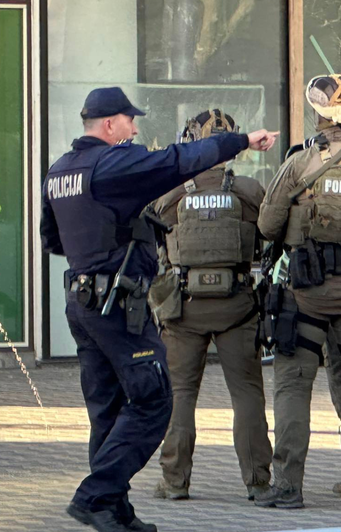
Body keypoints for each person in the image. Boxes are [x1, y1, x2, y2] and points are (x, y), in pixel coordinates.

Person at [40, 86, 277, 532]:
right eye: (130, 120)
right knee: (153, 401)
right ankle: (94, 496)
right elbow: (175, 160)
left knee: (107, 412)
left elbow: (51, 238)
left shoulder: (60, 171)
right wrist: (242, 140)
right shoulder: (111, 163)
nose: (134, 128)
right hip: (117, 304)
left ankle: (114, 510)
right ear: (109, 124)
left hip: (84, 302)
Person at [149, 110, 271, 502]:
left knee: (181, 393)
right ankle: (258, 482)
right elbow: (270, 233)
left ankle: (174, 481)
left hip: (183, 309)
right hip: (237, 305)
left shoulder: (171, 195)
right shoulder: (249, 191)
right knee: (247, 394)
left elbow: (151, 237)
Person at [255, 74, 341, 509]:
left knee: (292, 387)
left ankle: (288, 486)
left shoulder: (298, 164)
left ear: (318, 114)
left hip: (305, 295)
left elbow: (268, 227)